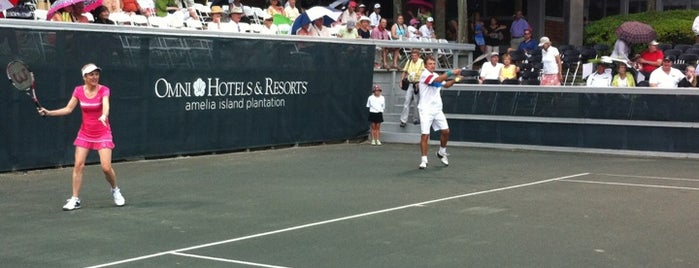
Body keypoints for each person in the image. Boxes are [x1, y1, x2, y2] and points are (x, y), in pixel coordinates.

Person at [37, 64, 126, 211]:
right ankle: (75, 199)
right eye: (91, 75)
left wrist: (104, 115)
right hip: (85, 133)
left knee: (106, 167)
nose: (95, 77)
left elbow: (106, 105)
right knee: (78, 165)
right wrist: (49, 112)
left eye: (96, 74)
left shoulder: (104, 90)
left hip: (103, 132)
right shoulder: (78, 90)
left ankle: (115, 190)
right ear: (84, 77)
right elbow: (68, 109)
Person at [417, 56, 462, 169]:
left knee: (446, 131)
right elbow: (437, 81)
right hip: (425, 109)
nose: (432, 65)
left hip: (437, 109)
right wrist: (451, 72)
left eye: (433, 63)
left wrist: (456, 79)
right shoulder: (424, 75)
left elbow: (445, 85)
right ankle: (424, 160)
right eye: (430, 63)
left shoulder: (436, 75)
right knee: (425, 135)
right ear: (426, 65)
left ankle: (441, 152)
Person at [399, 49, 424, 127]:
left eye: (415, 55)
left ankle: (416, 119)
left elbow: (423, 73)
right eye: (412, 55)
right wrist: (401, 81)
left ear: (418, 56)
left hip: (417, 83)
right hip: (410, 83)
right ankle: (403, 120)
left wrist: (420, 83)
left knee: (417, 102)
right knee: (407, 101)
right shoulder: (409, 61)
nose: (413, 57)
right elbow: (404, 71)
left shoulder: (421, 62)